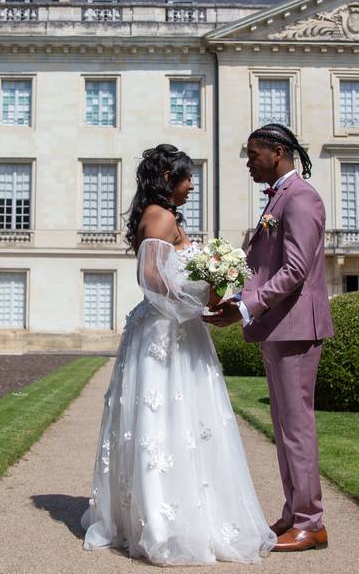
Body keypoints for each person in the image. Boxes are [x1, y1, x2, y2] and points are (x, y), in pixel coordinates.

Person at [81, 144, 276, 565]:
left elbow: (166, 275)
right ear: (168, 178)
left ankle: (171, 513)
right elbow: (152, 280)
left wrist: (212, 282)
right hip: (164, 335)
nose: (192, 185)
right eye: (187, 177)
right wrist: (196, 301)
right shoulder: (161, 216)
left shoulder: (160, 215)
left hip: (176, 331)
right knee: (165, 423)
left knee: (181, 423)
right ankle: (163, 523)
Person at [204, 124, 334, 552]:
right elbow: (264, 267)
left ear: (277, 153)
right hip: (279, 327)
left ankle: (311, 522)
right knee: (284, 426)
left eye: (253, 155)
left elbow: (295, 271)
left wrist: (245, 307)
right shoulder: (280, 198)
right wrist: (235, 297)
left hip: (296, 327)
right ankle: (294, 512)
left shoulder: (301, 198)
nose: (248, 163)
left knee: (297, 427)